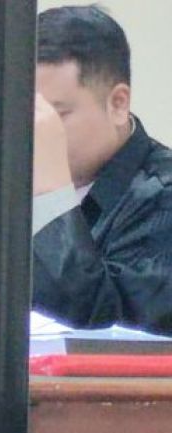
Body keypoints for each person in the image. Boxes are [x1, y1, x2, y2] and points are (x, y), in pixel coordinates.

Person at [33, 5, 172, 333]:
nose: (36, 133)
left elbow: (96, 323)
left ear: (118, 104)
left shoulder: (162, 198)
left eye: (56, 115)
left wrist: (51, 196)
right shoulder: (10, 185)